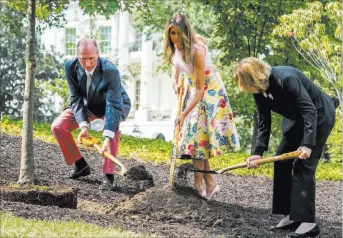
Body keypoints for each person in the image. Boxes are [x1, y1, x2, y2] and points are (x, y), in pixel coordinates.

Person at [233, 57, 337, 237]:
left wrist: (307, 144)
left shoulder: (286, 79)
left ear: (256, 77)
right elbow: (264, 121)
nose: (248, 90)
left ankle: (308, 222)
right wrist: (258, 152)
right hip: (297, 120)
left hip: (319, 116)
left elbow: (309, 110)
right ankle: (291, 215)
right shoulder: (258, 90)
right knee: (281, 162)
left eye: (247, 85)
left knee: (303, 166)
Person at [164, 14, 240, 199]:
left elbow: (200, 89)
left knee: (198, 139)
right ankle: (210, 183)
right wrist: (175, 82)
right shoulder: (175, 48)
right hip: (193, 90)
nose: (175, 38)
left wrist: (183, 114)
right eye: (172, 33)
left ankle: (199, 183)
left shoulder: (198, 51)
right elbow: (177, 64)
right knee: (200, 140)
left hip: (209, 93)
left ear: (186, 33)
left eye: (178, 34)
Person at [51, 38, 131, 190]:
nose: (87, 64)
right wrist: (83, 126)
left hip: (113, 103)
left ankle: (109, 176)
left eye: (91, 59)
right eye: (83, 59)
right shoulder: (71, 67)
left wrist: (107, 137)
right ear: (77, 56)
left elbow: (113, 105)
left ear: (98, 54)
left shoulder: (110, 71)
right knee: (58, 127)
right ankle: (80, 165)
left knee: (113, 130)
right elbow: (75, 98)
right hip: (88, 105)